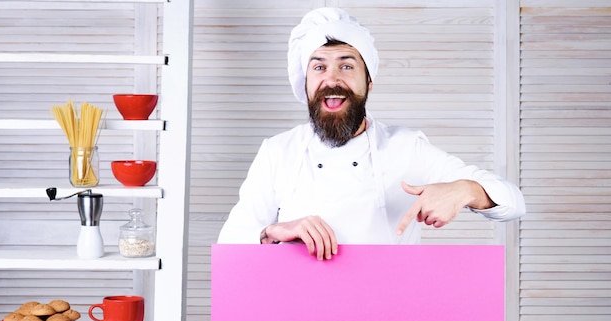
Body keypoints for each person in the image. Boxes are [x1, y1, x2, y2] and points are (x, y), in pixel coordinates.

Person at [218, 7, 525, 260]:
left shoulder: (406, 148)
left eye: (347, 66)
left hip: (387, 319)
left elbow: (514, 201)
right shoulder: (278, 152)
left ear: (369, 81)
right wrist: (272, 232)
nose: (332, 79)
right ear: (306, 84)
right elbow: (229, 247)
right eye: (319, 67)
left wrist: (465, 190)